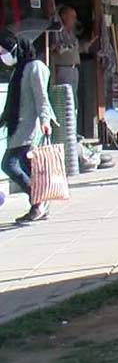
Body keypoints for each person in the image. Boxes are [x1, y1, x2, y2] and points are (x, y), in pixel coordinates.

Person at [1, 29, 56, 224]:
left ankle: (38, 201)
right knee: (28, 168)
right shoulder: (19, 68)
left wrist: (45, 121)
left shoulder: (35, 67)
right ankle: (39, 205)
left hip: (29, 127)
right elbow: (13, 101)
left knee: (9, 164)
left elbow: (42, 98)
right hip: (18, 126)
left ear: (15, 49)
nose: (2, 56)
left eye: (3, 51)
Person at [49, 5, 96, 105]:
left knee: (74, 100)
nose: (75, 20)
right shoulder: (57, 31)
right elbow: (55, 48)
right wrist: (68, 47)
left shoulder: (71, 33)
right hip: (63, 69)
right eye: (72, 17)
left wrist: (89, 43)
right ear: (64, 16)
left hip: (74, 70)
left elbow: (76, 49)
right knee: (65, 100)